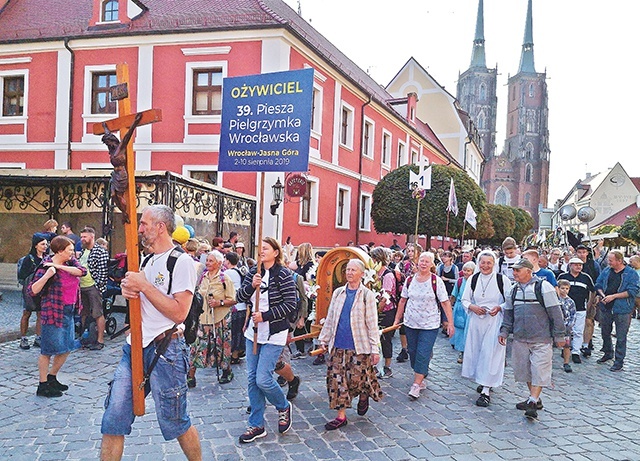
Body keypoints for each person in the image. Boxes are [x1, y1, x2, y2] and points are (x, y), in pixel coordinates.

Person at [100, 205, 201, 461]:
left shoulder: (182, 262)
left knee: (176, 421)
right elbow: (141, 299)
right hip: (133, 348)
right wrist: (129, 290)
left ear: (160, 226)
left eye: (144, 223)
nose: (140, 229)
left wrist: (144, 285)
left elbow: (179, 313)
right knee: (113, 419)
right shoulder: (144, 259)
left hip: (167, 350)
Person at [236, 237, 296, 444]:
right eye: (259, 248)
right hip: (252, 334)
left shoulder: (284, 275)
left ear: (276, 252)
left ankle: (283, 406)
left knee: (263, 378)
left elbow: (290, 305)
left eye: (266, 248)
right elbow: (240, 297)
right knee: (252, 379)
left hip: (274, 333)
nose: (261, 251)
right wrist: (252, 286)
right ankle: (257, 424)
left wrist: (266, 315)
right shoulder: (253, 272)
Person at [317, 259, 382, 430]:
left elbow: (372, 324)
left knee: (356, 380)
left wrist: (375, 350)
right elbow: (330, 318)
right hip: (338, 345)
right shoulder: (339, 293)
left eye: (353, 270)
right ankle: (341, 416)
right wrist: (323, 340)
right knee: (337, 380)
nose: (349, 273)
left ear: (361, 274)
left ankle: (363, 394)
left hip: (359, 346)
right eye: (347, 269)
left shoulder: (367, 295)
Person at [498, 258, 565, 420]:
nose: (514, 273)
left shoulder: (544, 287)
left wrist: (560, 335)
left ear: (528, 271)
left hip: (541, 338)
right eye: (513, 270)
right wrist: (504, 332)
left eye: (517, 270)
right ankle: (534, 397)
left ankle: (533, 402)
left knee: (539, 369)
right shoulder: (512, 291)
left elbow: (556, 313)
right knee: (525, 371)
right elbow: (508, 314)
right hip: (520, 338)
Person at [28, 236, 87, 397]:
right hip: (53, 313)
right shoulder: (45, 266)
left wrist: (58, 266)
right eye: (69, 250)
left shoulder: (70, 262)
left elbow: (82, 271)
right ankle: (42, 385)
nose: (72, 253)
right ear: (60, 251)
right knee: (47, 350)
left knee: (67, 347)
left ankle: (52, 377)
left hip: (69, 311)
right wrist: (48, 273)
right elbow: (32, 290)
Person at [394, 251, 454, 400]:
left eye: (427, 261)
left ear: (432, 264)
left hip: (430, 324)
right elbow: (402, 301)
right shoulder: (409, 280)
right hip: (411, 322)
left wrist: (450, 323)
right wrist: (397, 320)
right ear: (417, 262)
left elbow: (445, 302)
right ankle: (420, 372)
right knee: (412, 351)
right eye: (421, 260)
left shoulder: (436, 281)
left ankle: (416, 384)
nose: (423, 263)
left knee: (423, 351)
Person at [461, 251, 511, 407]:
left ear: (494, 264)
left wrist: (499, 307)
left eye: (489, 263)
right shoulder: (473, 279)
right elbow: (464, 299)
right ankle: (482, 380)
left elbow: (509, 301)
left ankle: (486, 391)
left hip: (494, 321)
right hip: (477, 321)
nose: (485, 266)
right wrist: (472, 307)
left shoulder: (502, 280)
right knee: (477, 352)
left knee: (491, 354)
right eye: (483, 262)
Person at [187, 250, 236, 387]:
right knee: (196, 346)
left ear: (219, 263)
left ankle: (227, 371)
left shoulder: (224, 278)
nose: (207, 263)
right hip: (203, 318)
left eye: (210, 261)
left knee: (221, 346)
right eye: (207, 260)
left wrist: (218, 303)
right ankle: (191, 375)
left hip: (220, 318)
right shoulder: (202, 277)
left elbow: (233, 300)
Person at [594, 250, 640, 371]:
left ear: (619, 261)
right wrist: (603, 295)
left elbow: (632, 291)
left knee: (621, 336)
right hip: (606, 307)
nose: (609, 262)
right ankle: (608, 352)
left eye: (611, 260)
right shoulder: (607, 271)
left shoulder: (631, 273)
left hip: (622, 308)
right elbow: (598, 284)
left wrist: (613, 296)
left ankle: (619, 361)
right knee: (605, 331)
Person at [557, 257, 595, 362]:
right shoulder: (563, 276)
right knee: (566, 330)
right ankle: (565, 349)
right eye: (576, 265)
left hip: (580, 308)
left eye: (580, 265)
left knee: (578, 331)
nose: (578, 267)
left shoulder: (586, 278)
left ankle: (576, 352)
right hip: (564, 308)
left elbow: (592, 290)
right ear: (570, 265)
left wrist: (589, 303)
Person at [78, 226, 109, 350]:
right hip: (82, 285)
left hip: (93, 286)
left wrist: (98, 287)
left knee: (97, 313)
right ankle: (86, 337)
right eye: (81, 237)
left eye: (84, 237)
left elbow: (103, 272)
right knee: (83, 312)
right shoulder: (83, 251)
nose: (82, 239)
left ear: (92, 237)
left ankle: (100, 340)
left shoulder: (100, 252)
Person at [370, 247, 398, 379]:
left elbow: (385, 297)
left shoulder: (387, 275)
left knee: (386, 339)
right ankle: (375, 365)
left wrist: (376, 311)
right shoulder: (374, 273)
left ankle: (387, 367)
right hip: (376, 310)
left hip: (386, 311)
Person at [18, 233, 48, 350]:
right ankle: (23, 338)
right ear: (36, 245)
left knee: (40, 313)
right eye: (42, 244)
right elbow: (22, 275)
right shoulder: (28, 259)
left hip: (42, 290)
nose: (45, 246)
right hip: (29, 290)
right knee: (27, 313)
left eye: (46, 244)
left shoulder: (46, 258)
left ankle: (38, 338)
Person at [396, 242, 422, 363]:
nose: (410, 253)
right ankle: (404, 348)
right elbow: (399, 278)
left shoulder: (423, 264)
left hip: (420, 300)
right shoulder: (403, 264)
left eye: (412, 251)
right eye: (408, 251)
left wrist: (418, 272)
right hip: (405, 295)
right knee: (403, 325)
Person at [289, 242, 314, 358]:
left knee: (301, 321)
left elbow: (309, 281)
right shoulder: (302, 265)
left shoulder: (310, 265)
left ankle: (301, 349)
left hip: (305, 296)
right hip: (299, 295)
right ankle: (301, 347)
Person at [224, 251, 248, 364]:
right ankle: (237, 353)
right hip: (242, 305)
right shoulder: (241, 271)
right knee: (239, 331)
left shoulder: (227, 272)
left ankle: (233, 355)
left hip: (234, 306)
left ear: (228, 261)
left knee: (233, 332)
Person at [450, 261, 475, 363]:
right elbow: (454, 295)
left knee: (470, 331)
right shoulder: (460, 281)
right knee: (460, 330)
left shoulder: (475, 281)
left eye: (468, 270)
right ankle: (462, 352)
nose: (466, 272)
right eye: (464, 270)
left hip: (471, 308)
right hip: (460, 307)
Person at [557, 279, 577, 373]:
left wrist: (570, 324)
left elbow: (573, 314)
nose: (564, 290)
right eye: (562, 288)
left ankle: (566, 362)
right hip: (556, 326)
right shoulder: (555, 299)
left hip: (566, 326)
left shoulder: (570, 301)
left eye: (567, 288)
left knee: (567, 345)